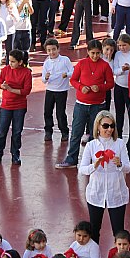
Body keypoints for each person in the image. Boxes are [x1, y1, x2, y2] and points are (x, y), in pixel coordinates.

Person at [56, 40, 114, 168]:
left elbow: (110, 84)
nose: (95, 56)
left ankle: (95, 160)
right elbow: (73, 80)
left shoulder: (105, 66)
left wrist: (99, 87)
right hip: (81, 104)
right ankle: (72, 159)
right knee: (76, 132)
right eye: (92, 53)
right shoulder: (81, 64)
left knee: (95, 135)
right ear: (88, 52)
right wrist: (81, 87)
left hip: (98, 105)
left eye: (98, 53)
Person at [78, 110, 130, 244]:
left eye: (112, 126)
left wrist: (120, 164)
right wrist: (94, 165)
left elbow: (128, 168)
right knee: (94, 230)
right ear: (98, 127)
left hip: (116, 192)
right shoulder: (91, 145)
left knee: (118, 231)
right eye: (106, 126)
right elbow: (82, 169)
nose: (109, 129)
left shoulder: (120, 143)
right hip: (97, 192)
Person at [0, 49, 32, 165]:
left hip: (19, 106)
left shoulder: (26, 72)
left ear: (20, 62)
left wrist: (11, 89)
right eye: (9, 61)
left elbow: (26, 90)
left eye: (13, 61)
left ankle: (15, 154)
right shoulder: (5, 70)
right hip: (6, 105)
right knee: (1, 131)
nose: (10, 64)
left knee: (17, 132)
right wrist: (3, 86)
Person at [42, 38, 73, 141]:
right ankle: (48, 131)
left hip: (62, 91)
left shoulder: (65, 60)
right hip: (50, 90)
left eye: (54, 49)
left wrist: (67, 74)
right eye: (49, 50)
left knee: (60, 113)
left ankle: (64, 131)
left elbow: (73, 72)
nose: (52, 52)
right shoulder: (46, 63)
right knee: (47, 111)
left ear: (58, 49)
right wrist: (46, 78)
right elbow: (43, 80)